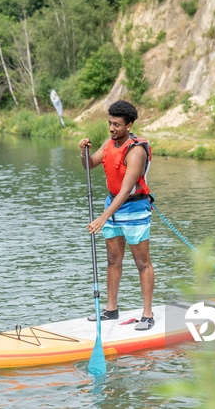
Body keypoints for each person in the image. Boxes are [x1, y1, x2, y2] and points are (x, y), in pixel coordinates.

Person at [79, 100, 155, 330]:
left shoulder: (136, 151)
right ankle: (111, 310)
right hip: (112, 205)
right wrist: (83, 152)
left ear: (129, 125)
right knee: (113, 260)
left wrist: (103, 217)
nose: (112, 129)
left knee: (142, 263)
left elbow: (125, 190)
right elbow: (89, 165)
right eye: (110, 123)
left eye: (117, 125)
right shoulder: (109, 142)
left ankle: (148, 314)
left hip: (134, 209)